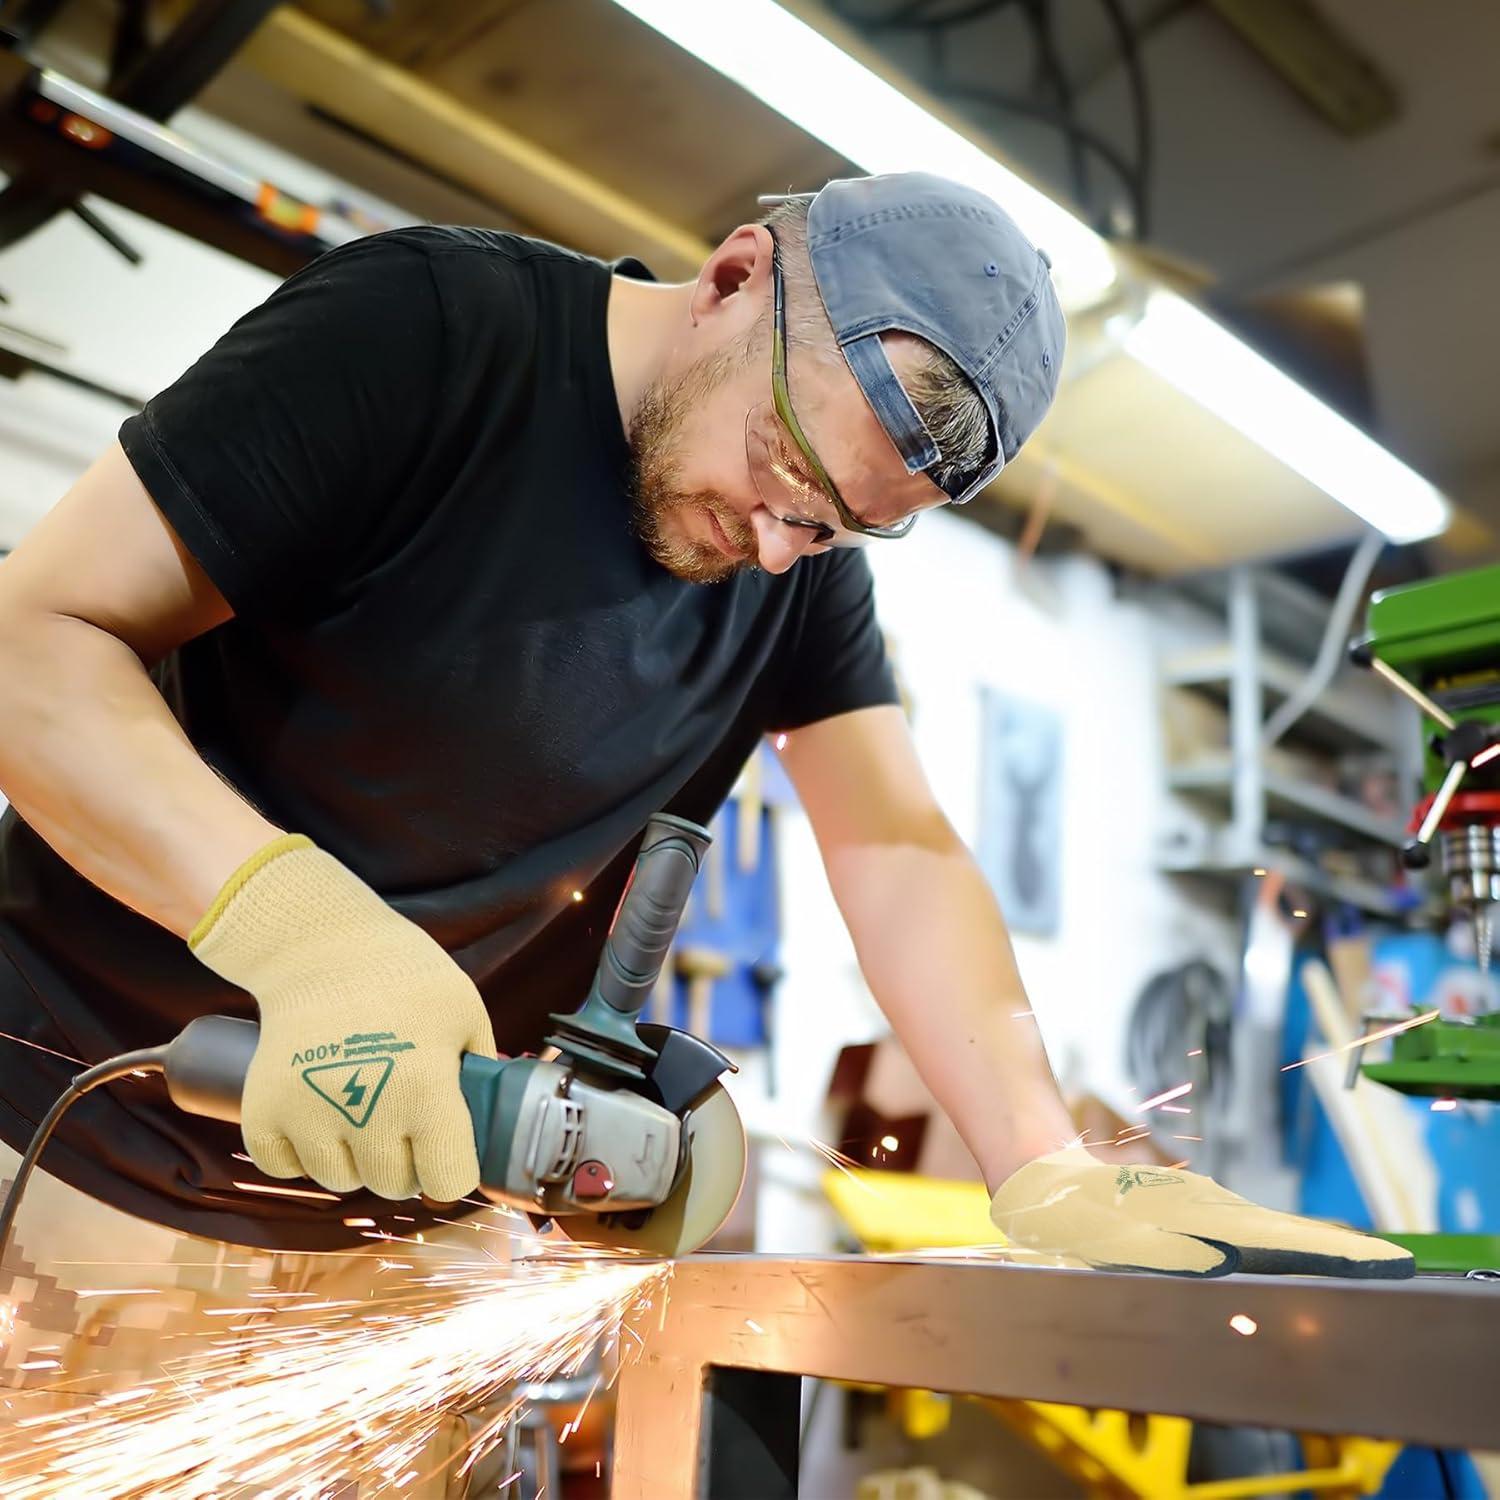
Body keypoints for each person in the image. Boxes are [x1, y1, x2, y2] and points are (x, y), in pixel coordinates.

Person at [0, 167, 1410, 1442]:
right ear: (735, 278)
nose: (781, 547)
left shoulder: (791, 568)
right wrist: (302, 934)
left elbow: (898, 845)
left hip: (388, 1244)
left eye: (840, 527)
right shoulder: (428, 333)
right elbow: (34, 641)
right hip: (58, 1148)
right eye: (789, 470)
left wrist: (1042, 1156)